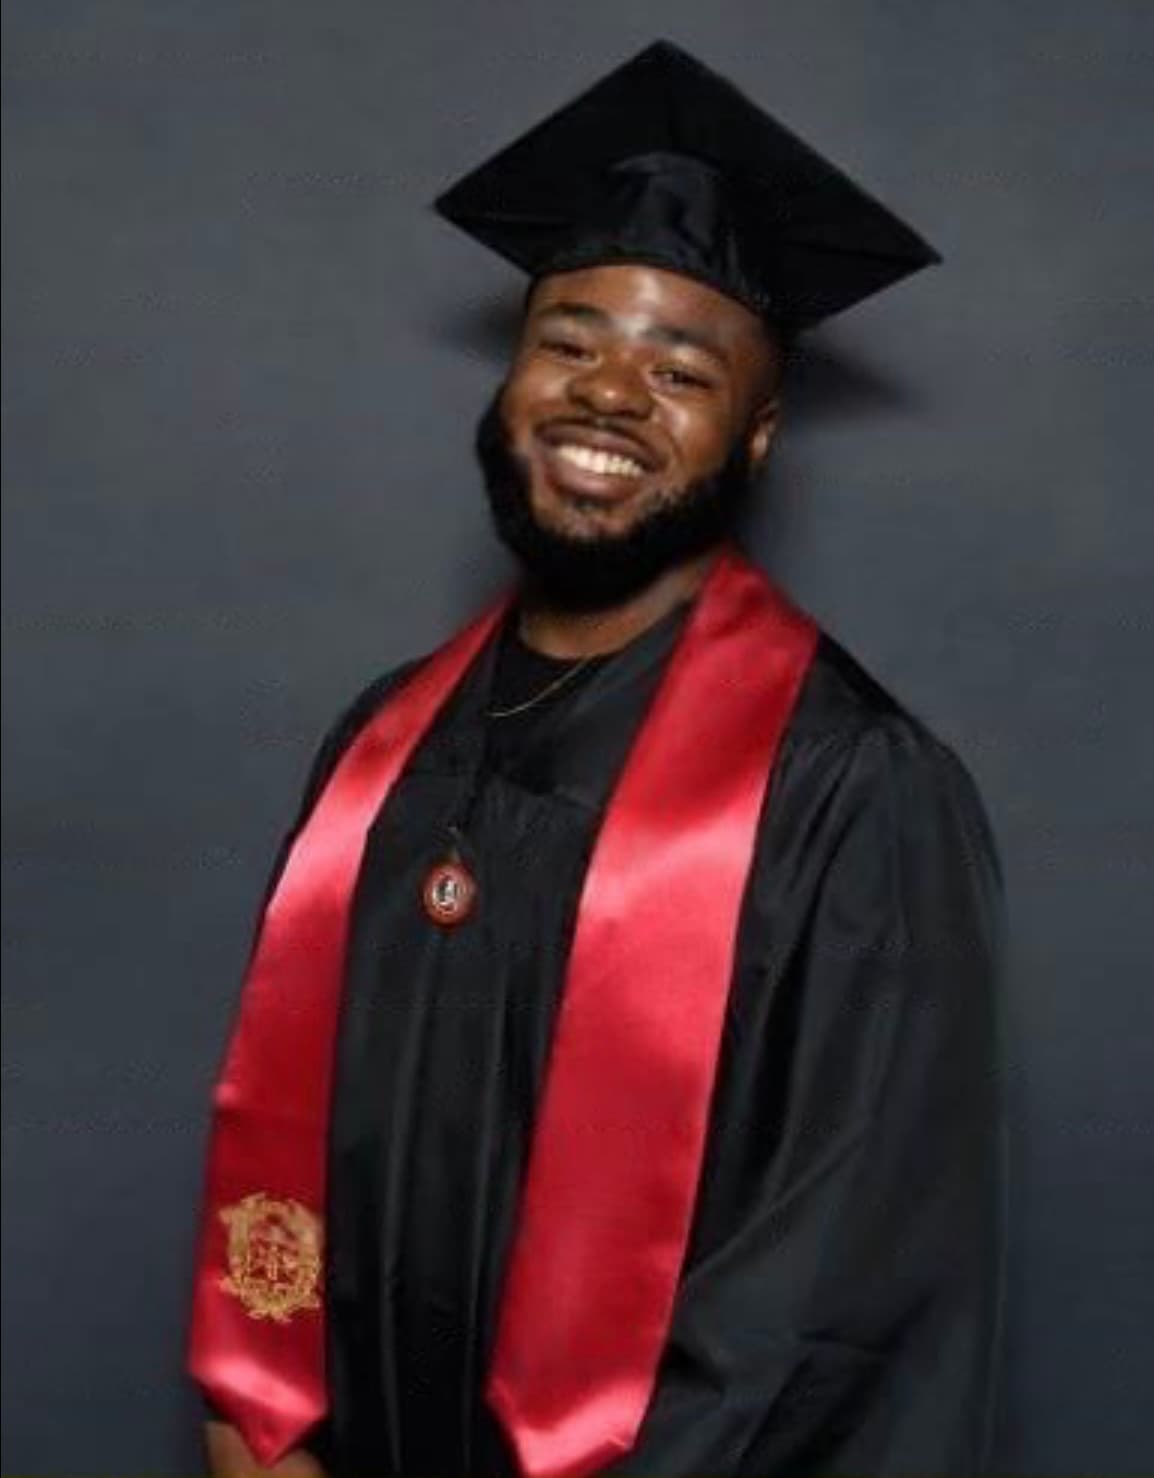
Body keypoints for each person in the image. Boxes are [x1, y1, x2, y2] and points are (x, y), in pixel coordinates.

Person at [188, 40, 1008, 1478]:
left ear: (754, 436)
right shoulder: (384, 742)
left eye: (679, 368)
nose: (608, 396)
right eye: (567, 342)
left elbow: (836, 1291)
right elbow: (296, 1151)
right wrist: (259, 1425)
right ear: (509, 382)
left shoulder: (851, 786)